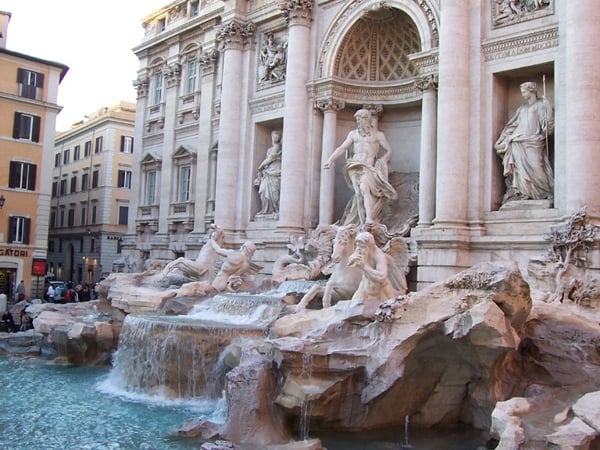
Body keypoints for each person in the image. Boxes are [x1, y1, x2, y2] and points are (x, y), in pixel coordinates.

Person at [323, 109, 398, 225]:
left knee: (364, 188)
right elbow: (342, 148)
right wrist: (330, 160)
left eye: (361, 119)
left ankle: (369, 219)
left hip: (367, 167)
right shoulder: (353, 134)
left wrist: (383, 160)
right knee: (358, 194)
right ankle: (361, 221)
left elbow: (389, 150)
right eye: (357, 119)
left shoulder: (378, 135)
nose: (358, 122)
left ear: (367, 119)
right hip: (354, 166)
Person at [494, 81, 554, 204]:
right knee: (520, 169)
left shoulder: (541, 105)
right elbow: (513, 125)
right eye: (521, 92)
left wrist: (547, 108)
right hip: (518, 140)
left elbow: (547, 124)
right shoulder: (522, 108)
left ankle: (544, 192)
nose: (523, 94)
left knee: (537, 165)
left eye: (524, 91)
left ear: (532, 91)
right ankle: (524, 193)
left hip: (534, 141)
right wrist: (502, 139)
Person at [347, 231, 398, 301]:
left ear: (370, 247)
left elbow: (382, 276)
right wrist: (352, 260)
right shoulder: (360, 249)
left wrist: (364, 267)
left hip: (381, 292)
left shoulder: (379, 256)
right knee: (352, 307)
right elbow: (350, 260)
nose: (358, 249)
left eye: (362, 247)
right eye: (357, 246)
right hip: (364, 288)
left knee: (388, 309)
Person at [254, 130, 282, 217]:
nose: (275, 138)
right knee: (263, 190)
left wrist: (260, 166)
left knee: (274, 192)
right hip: (269, 172)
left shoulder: (277, 147)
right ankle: (265, 210)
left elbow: (270, 158)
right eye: (273, 136)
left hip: (275, 170)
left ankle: (274, 209)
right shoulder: (271, 148)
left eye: (276, 136)